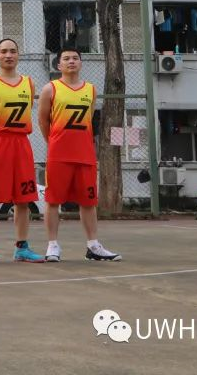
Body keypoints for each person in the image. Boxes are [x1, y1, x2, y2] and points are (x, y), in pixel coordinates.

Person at [40, 46, 122, 262]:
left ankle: (93, 245)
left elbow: (89, 119)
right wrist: (54, 142)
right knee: (53, 200)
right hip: (59, 155)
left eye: (75, 58)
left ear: (81, 63)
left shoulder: (90, 90)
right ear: (59, 64)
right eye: (66, 58)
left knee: (88, 202)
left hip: (85, 154)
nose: (71, 61)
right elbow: (43, 121)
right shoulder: (50, 89)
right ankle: (52, 245)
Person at [0, 38, 45, 263]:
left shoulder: (29, 83)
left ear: (18, 55)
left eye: (12, 51)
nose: (8, 55)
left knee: (23, 199)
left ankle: (22, 247)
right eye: (4, 51)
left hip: (21, 143)